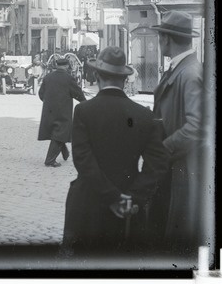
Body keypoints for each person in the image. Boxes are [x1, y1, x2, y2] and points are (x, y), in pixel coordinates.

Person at [61, 47, 169, 253]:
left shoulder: (84, 111)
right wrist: (132, 197)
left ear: (97, 76)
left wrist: (112, 197)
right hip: (128, 209)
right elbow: (158, 164)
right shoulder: (144, 116)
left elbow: (83, 161)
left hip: (88, 203)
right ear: (125, 79)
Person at [149, 11, 205, 252]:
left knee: (175, 237)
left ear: (167, 39)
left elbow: (197, 127)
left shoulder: (190, 74)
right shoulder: (181, 68)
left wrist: (162, 149)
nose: (159, 41)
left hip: (182, 169)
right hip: (173, 167)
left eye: (160, 36)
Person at [37, 55, 86, 167]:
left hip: (49, 110)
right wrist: (85, 103)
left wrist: (49, 103)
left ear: (57, 65)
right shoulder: (69, 78)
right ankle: (49, 160)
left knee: (58, 131)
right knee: (61, 132)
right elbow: (77, 93)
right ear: (67, 66)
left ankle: (64, 152)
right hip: (63, 111)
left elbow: (41, 94)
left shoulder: (48, 77)